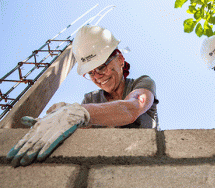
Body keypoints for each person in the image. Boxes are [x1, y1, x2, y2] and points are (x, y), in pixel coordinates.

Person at [7, 25, 159, 167]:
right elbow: (81, 134)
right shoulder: (90, 100)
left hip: (146, 164)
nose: (98, 76)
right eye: (91, 73)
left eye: (101, 67)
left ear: (120, 59)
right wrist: (57, 120)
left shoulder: (142, 83)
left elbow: (132, 108)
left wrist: (78, 112)